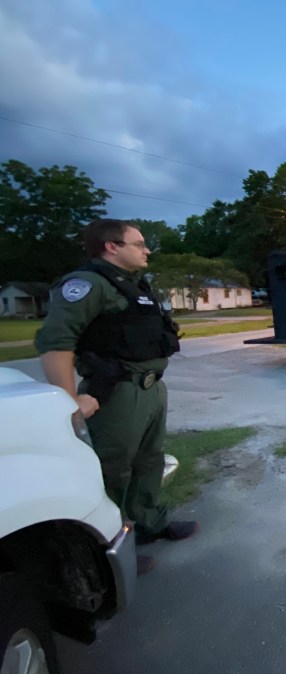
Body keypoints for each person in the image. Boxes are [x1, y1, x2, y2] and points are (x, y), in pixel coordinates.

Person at [34, 219, 198, 576]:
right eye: (138, 244)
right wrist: (68, 401)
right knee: (112, 470)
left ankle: (149, 523)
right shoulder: (86, 286)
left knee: (149, 461)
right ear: (111, 247)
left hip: (151, 388)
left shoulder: (135, 286)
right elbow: (56, 343)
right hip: (116, 393)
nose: (146, 250)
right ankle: (107, 553)